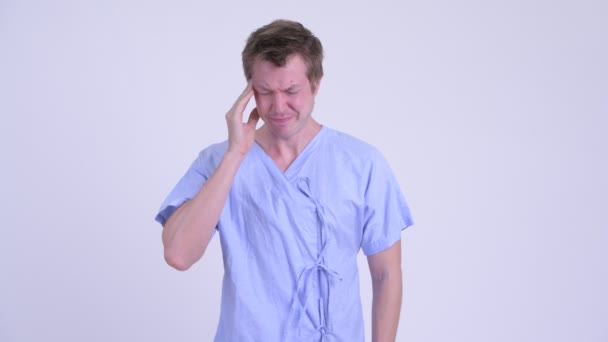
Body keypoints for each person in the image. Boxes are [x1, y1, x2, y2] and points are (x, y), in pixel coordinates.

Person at [155, 19, 413, 342]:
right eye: (264, 92)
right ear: (248, 90)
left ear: (316, 85)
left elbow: (386, 273)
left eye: (291, 91)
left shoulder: (362, 164)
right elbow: (178, 254)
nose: (278, 107)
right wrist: (236, 153)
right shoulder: (217, 162)